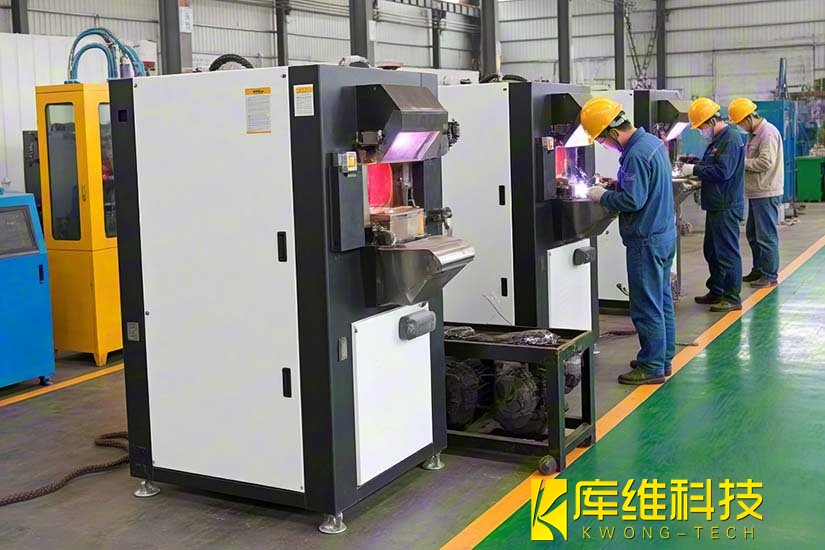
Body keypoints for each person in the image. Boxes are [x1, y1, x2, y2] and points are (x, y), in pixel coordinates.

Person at [581, 97, 676, 385]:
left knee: (646, 304)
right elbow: (645, 186)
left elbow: (633, 201)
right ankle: (662, 357)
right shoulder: (651, 143)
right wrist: (615, 184)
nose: (603, 145)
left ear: (611, 132)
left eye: (601, 140)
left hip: (646, 240)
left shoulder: (635, 154)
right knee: (661, 299)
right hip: (663, 233)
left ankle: (651, 366)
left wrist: (602, 196)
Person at [680, 98, 745, 312]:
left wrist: (694, 170)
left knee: (727, 252)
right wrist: (695, 163)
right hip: (716, 204)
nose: (701, 131)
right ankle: (717, 290)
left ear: (712, 120)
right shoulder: (719, 139)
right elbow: (713, 163)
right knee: (712, 251)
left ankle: (732, 297)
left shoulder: (731, 139)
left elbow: (723, 171)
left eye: (701, 127)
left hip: (726, 205)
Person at [728, 97, 784, 288]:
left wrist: (740, 163)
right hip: (756, 192)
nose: (740, 127)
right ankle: (759, 269)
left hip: (766, 192)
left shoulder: (767, 133)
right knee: (753, 234)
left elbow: (765, 162)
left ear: (749, 117)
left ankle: (770, 274)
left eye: (740, 123)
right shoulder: (754, 134)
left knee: (766, 236)